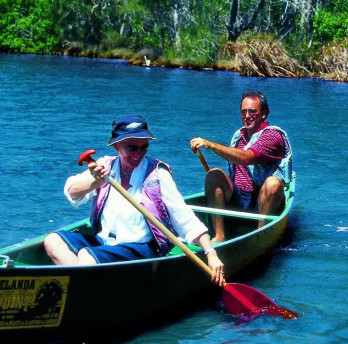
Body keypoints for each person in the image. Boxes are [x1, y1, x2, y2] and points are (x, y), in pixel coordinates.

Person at [44, 113, 224, 284]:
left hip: (139, 248)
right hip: (104, 243)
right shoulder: (104, 166)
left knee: (86, 256)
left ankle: (79, 290)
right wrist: (95, 182)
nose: (138, 153)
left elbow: (184, 218)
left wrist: (211, 254)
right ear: (117, 146)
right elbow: (72, 192)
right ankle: (83, 285)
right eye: (131, 147)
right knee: (52, 241)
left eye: (144, 147)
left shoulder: (157, 174)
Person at [189, 90, 292, 242]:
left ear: (264, 114)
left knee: (273, 183)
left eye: (252, 111)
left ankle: (260, 236)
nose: (247, 116)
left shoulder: (272, 136)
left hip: (262, 198)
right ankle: (219, 236)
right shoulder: (239, 136)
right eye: (243, 112)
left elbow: (247, 157)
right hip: (239, 197)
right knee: (214, 174)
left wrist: (210, 145)